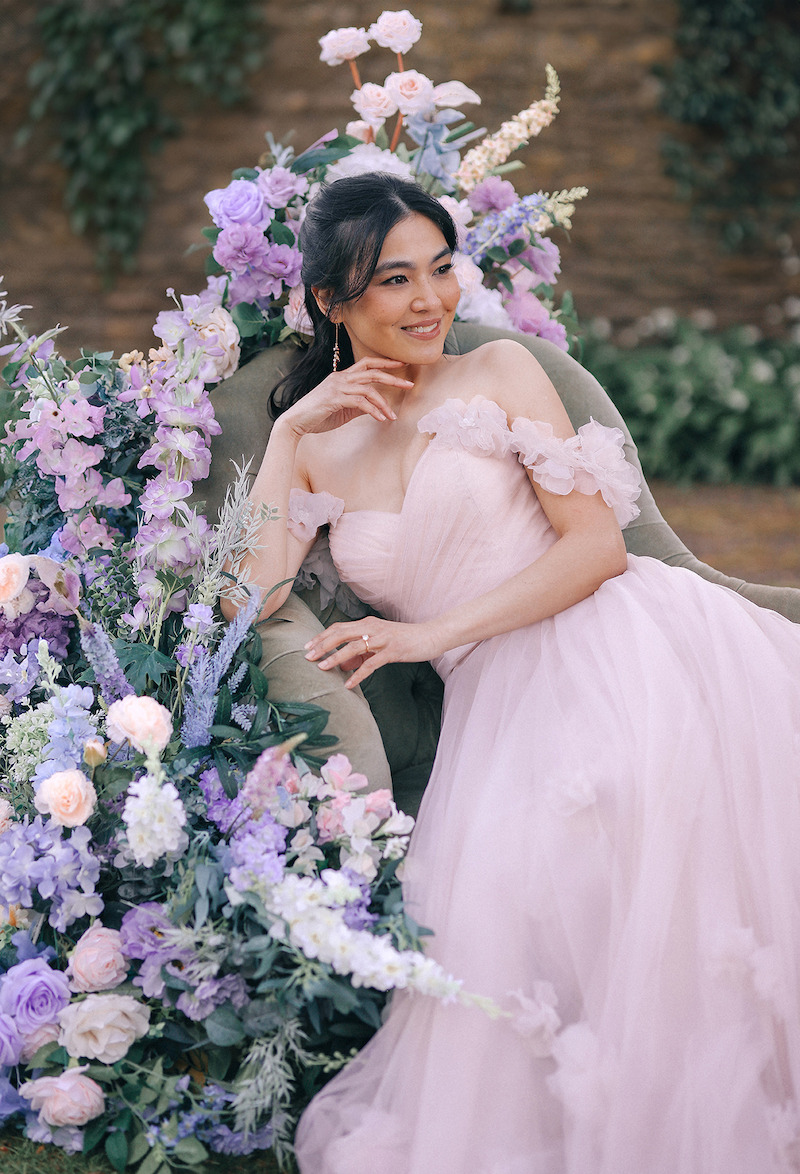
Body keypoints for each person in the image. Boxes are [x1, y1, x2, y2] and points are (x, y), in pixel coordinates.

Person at [230, 173, 800, 1174]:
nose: (427, 301)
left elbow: (594, 549)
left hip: (618, 644)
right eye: (393, 279)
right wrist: (286, 435)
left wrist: (423, 633)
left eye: (441, 269)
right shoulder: (313, 445)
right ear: (328, 301)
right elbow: (258, 595)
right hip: (493, 703)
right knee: (500, 895)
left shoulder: (497, 371)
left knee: (621, 809)